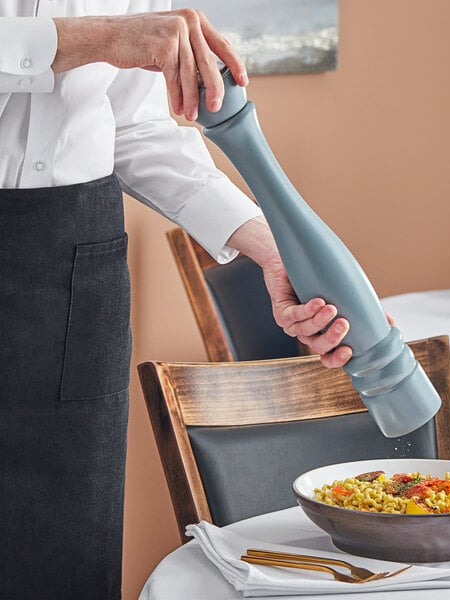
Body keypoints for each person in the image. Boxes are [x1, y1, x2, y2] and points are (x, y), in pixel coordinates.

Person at [0, 3, 352, 599]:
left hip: (73, 275)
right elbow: (108, 43)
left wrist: (271, 249)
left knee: (64, 555)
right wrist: (94, 38)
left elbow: (134, 127)